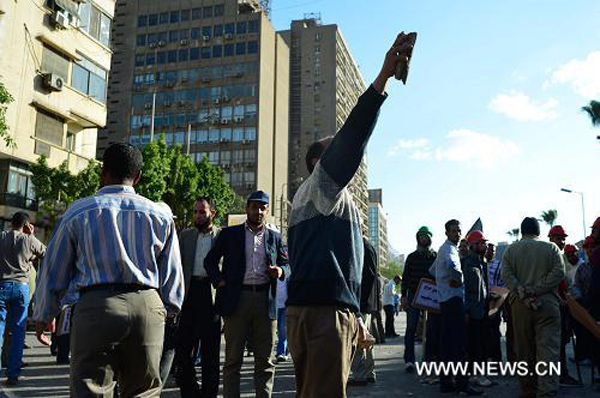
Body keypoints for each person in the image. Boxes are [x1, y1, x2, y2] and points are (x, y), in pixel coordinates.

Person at [286, 33, 414, 398]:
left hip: (322, 310)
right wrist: (383, 77)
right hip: (323, 315)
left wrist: (354, 315)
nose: (344, 151)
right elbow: (355, 133)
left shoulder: (316, 198)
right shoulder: (320, 187)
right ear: (318, 162)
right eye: (333, 147)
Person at [33, 143, 185, 397]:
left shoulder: (79, 211)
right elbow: (172, 274)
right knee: (143, 391)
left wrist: (45, 313)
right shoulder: (160, 215)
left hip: (96, 307)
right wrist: (167, 312)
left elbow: (54, 270)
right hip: (147, 306)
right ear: (137, 177)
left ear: (103, 172)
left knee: (91, 389)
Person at [204, 190, 288, 398]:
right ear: (247, 209)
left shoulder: (275, 238)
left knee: (265, 362)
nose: (258, 211)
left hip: (264, 301)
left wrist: (282, 271)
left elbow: (287, 263)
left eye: (262, 208)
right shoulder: (230, 234)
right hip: (236, 300)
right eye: (254, 207)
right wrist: (219, 281)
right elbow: (210, 260)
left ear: (267, 211)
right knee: (233, 360)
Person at [501, 217, 565, 398]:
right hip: (547, 305)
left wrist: (522, 291)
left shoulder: (510, 250)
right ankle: (547, 391)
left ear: (522, 232)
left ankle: (528, 389)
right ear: (538, 232)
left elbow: (506, 275)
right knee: (549, 351)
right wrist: (537, 289)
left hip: (521, 307)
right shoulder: (551, 248)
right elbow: (559, 272)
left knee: (524, 350)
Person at [174, 197, 221, 397]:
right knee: (183, 351)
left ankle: (209, 394)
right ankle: (190, 391)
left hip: (210, 296)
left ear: (213, 213)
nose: (198, 216)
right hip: (189, 295)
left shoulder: (222, 236)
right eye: (195, 211)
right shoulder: (185, 236)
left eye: (202, 212)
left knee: (211, 354)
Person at [430, 219, 481, 396]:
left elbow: (432, 270)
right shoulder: (450, 249)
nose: (457, 234)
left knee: (447, 344)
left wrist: (441, 280)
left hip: (445, 300)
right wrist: (456, 280)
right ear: (447, 233)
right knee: (459, 345)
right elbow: (454, 268)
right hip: (454, 300)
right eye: (453, 231)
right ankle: (462, 384)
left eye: (459, 231)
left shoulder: (443, 249)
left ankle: (446, 383)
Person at [0, 212, 46, 384]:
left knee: (0, 330)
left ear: (11, 223)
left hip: (2, 285)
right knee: (19, 332)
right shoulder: (29, 240)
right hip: (21, 288)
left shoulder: (2, 236)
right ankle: (13, 375)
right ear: (26, 225)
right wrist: (31, 236)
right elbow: (45, 254)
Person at [547, 225, 582, 387]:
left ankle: (561, 374)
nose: (561, 241)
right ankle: (560, 375)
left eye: (563, 238)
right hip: (556, 304)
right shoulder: (549, 256)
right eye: (558, 238)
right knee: (557, 343)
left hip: (564, 303)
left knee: (561, 342)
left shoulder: (560, 256)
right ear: (551, 239)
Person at [400, 226, 436, 373]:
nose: (423, 238)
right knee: (411, 328)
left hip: (431, 297)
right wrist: (403, 296)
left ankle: (430, 359)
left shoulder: (435, 256)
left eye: (426, 236)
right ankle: (409, 360)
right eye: (421, 236)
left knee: (432, 329)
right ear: (418, 238)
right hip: (414, 296)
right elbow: (406, 278)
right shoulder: (411, 257)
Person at [463, 230, 492, 388]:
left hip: (482, 310)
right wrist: (466, 311)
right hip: (472, 311)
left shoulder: (482, 263)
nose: (484, 246)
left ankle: (479, 374)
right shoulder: (467, 263)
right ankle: (475, 375)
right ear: (472, 245)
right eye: (481, 243)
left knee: (481, 343)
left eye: (484, 243)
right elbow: (464, 290)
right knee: (474, 346)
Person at [348, 238, 379, 386]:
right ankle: (369, 372)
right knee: (365, 338)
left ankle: (360, 375)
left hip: (362, 302)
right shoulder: (364, 245)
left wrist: (359, 301)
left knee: (360, 338)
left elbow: (370, 275)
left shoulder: (365, 247)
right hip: (364, 301)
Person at [275, 277, 289, 362]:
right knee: (276, 330)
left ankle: (282, 352)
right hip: (273, 304)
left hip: (286, 304)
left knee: (283, 329)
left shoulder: (288, 268)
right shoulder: (271, 268)